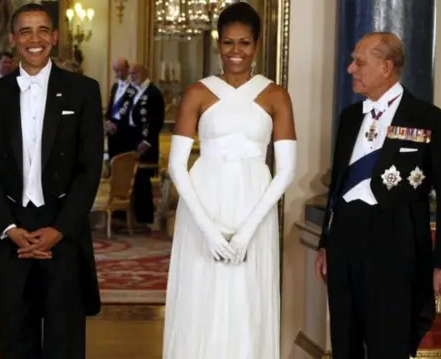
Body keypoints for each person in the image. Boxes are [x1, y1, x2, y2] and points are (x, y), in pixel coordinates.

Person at [314, 32, 441, 359]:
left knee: (390, 344)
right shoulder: (350, 119)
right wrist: (326, 242)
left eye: (359, 62)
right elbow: (339, 185)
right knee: (345, 339)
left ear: (386, 67)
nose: (350, 68)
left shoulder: (431, 121)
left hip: (396, 243)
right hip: (346, 241)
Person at [162, 3, 297, 358]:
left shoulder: (276, 95)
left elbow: (285, 170)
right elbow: (177, 166)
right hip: (204, 204)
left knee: (247, 297)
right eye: (228, 43)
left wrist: (247, 230)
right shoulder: (197, 93)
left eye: (244, 43)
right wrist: (207, 229)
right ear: (217, 44)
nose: (236, 52)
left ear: (257, 45)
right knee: (201, 293)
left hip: (255, 206)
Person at [0, 3, 103, 359]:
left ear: (55, 37)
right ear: (13, 39)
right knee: (15, 339)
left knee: (65, 340)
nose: (35, 39)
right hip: (11, 232)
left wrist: (60, 229)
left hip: (63, 230)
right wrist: (9, 226)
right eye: (25, 32)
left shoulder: (84, 91)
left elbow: (89, 169)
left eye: (43, 30)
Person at [127, 63, 165, 225]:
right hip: (133, 140)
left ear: (143, 73)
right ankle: (135, 217)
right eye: (130, 74)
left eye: (134, 73)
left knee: (143, 180)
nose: (132, 76)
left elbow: (157, 120)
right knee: (133, 181)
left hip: (146, 144)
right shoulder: (134, 92)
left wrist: (147, 142)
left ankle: (145, 217)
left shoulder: (153, 93)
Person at [104, 58, 137, 160]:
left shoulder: (134, 88)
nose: (118, 73)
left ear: (127, 69)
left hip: (126, 133)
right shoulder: (114, 87)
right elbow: (110, 109)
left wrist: (118, 126)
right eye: (116, 70)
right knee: (113, 162)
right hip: (113, 134)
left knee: (124, 164)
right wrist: (108, 122)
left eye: (120, 70)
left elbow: (133, 113)